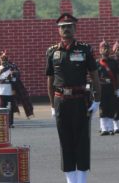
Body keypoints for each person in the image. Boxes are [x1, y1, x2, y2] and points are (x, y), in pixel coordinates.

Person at [46, 13, 101, 183]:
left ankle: (82, 179)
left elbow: (94, 75)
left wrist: (97, 100)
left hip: (80, 101)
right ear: (58, 30)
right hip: (61, 101)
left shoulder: (84, 49)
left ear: (75, 28)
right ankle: (71, 179)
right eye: (63, 27)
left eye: (69, 26)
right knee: (65, 140)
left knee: (82, 139)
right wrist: (52, 106)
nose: (66, 29)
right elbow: (50, 81)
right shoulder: (52, 52)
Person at [96, 40, 119, 135]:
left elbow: (117, 76)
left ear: (110, 50)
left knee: (111, 107)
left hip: (111, 87)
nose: (105, 50)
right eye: (103, 48)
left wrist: (117, 88)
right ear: (100, 50)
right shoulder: (97, 62)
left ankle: (110, 128)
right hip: (102, 88)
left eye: (107, 48)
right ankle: (104, 128)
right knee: (102, 107)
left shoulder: (114, 62)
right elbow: (94, 77)